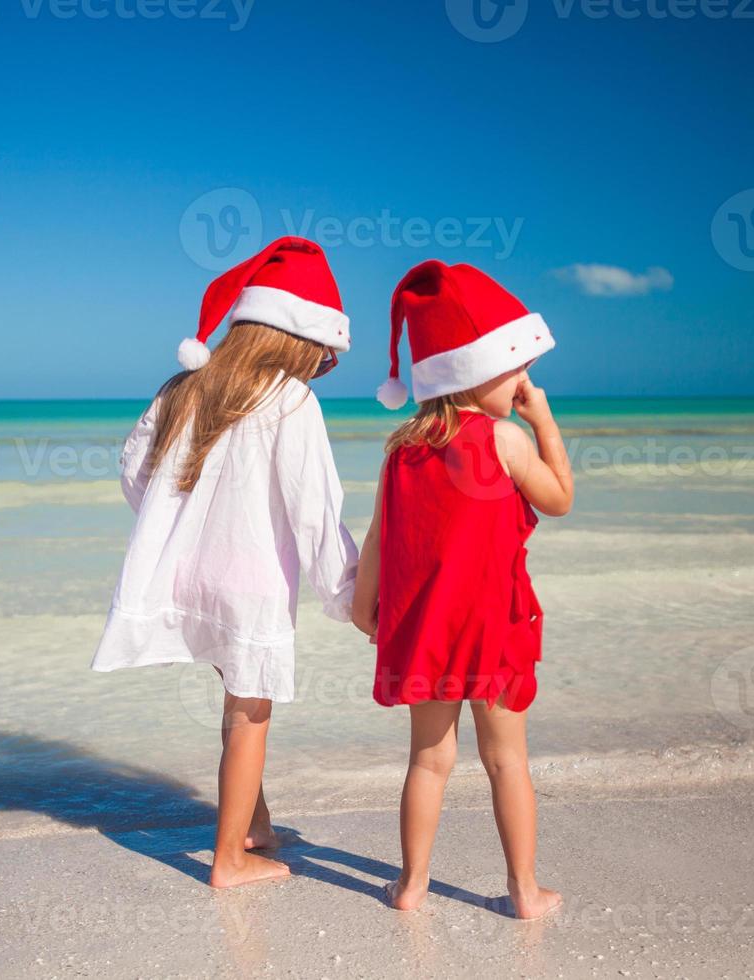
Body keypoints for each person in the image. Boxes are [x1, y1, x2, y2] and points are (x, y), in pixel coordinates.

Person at [92, 237, 359, 888]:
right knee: (250, 715)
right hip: (252, 584)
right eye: (323, 355)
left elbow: (135, 472)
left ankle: (255, 824)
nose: (324, 368)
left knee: (238, 704)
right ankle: (230, 860)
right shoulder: (292, 402)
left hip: (196, 577)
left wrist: (177, 531)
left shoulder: (187, 387)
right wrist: (350, 595)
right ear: (295, 338)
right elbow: (314, 511)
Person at [353, 260, 573, 918]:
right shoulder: (506, 438)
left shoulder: (402, 450)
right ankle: (525, 892)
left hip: (429, 631)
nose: (526, 381)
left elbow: (379, 537)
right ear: (474, 371)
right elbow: (559, 498)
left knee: (428, 760)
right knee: (507, 762)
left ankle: (412, 886)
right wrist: (546, 421)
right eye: (517, 369)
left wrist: (366, 605)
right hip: (494, 629)